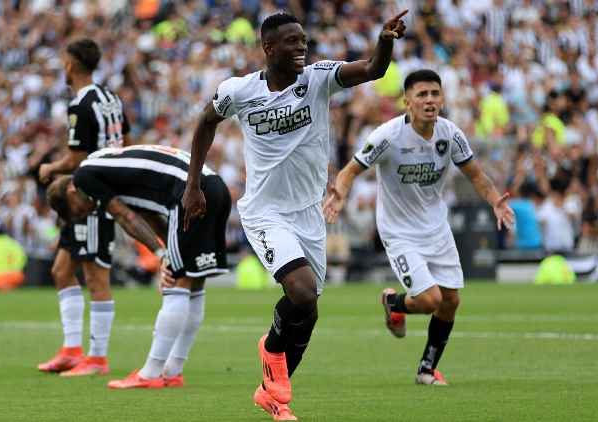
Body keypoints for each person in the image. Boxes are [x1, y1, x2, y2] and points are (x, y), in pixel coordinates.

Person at [182, 11, 407, 420]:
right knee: (301, 292)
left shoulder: (318, 78)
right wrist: (192, 184)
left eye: (304, 39)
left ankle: (272, 394)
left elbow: (374, 68)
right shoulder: (239, 91)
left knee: (309, 311)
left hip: (308, 214)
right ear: (269, 48)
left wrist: (386, 40)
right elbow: (205, 122)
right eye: (292, 41)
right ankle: (269, 349)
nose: (302, 46)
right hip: (265, 213)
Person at [324, 69, 514, 386]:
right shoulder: (387, 136)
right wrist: (339, 195)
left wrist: (495, 200)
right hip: (398, 231)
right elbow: (349, 170)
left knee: (451, 301)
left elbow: (477, 176)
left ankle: (426, 369)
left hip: (436, 227)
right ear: (407, 102)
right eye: (422, 95)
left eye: (434, 94)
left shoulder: (450, 134)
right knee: (429, 300)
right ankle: (392, 302)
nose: (429, 100)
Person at [45, 144, 231, 389]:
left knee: (176, 281)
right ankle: (172, 370)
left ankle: (151, 373)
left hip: (187, 193)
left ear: (71, 192)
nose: (88, 210)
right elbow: (148, 216)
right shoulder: (107, 167)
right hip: (215, 188)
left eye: (78, 211)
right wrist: (170, 251)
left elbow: (126, 217)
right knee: (193, 281)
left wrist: (162, 255)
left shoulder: (85, 177)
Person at [36, 38, 131, 377]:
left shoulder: (80, 103)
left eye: (64, 60)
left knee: (95, 276)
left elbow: (77, 157)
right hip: (88, 195)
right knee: (61, 271)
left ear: (71, 65)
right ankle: (72, 349)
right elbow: (127, 142)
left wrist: (50, 168)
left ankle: (97, 358)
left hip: (91, 197)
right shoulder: (111, 99)